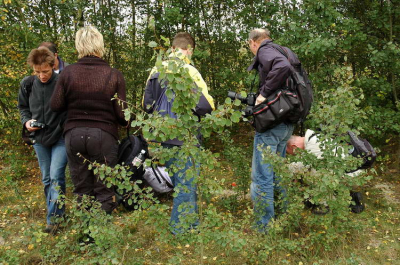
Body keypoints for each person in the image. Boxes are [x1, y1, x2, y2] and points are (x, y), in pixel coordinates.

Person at [143, 32, 215, 234]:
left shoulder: (155, 71)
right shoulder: (189, 71)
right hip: (186, 136)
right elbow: (205, 106)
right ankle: (179, 229)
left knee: (182, 182)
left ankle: (191, 224)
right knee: (186, 183)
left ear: (171, 49)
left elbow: (146, 105)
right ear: (189, 50)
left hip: (163, 137)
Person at [51, 26, 127, 214]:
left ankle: (86, 237)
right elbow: (122, 113)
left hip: (74, 135)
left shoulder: (67, 73)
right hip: (103, 135)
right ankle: (100, 238)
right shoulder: (113, 75)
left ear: (79, 46)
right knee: (104, 189)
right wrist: (126, 125)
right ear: (100, 45)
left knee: (82, 189)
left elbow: (55, 105)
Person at [247, 28, 295, 232]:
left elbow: (281, 67)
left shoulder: (265, 50)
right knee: (278, 172)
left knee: (262, 176)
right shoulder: (285, 50)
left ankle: (263, 226)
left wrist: (263, 94)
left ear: (253, 42)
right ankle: (283, 216)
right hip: (286, 123)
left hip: (272, 125)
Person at [18, 47, 68, 234]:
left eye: (45, 71)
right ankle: (58, 212)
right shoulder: (28, 84)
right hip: (38, 138)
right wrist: (27, 122)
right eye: (37, 72)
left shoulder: (62, 82)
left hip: (60, 138)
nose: (42, 75)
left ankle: (53, 221)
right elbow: (23, 107)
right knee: (47, 178)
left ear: (53, 65)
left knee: (56, 176)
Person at [286, 129, 365, 213]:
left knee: (312, 174)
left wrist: (282, 169)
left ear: (293, 146)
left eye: (290, 152)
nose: (293, 155)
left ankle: (323, 205)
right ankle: (353, 197)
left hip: (348, 176)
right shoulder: (316, 137)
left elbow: (302, 166)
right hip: (353, 173)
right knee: (320, 170)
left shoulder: (313, 144)